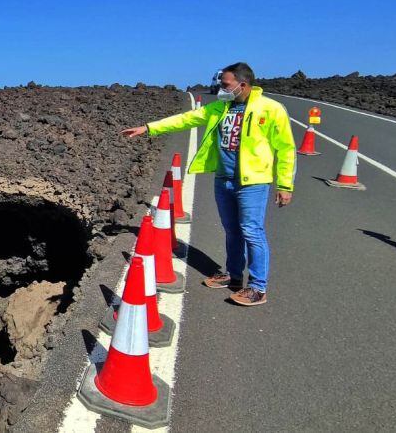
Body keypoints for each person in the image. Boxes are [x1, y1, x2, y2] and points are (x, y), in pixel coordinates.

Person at [120, 62, 296, 306]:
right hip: (224, 179)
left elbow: (286, 149)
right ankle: (234, 276)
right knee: (232, 231)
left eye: (225, 84)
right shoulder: (221, 108)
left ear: (242, 85)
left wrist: (285, 185)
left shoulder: (271, 109)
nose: (220, 88)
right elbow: (187, 119)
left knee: (252, 232)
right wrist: (149, 128)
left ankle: (258, 287)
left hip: (252, 182)